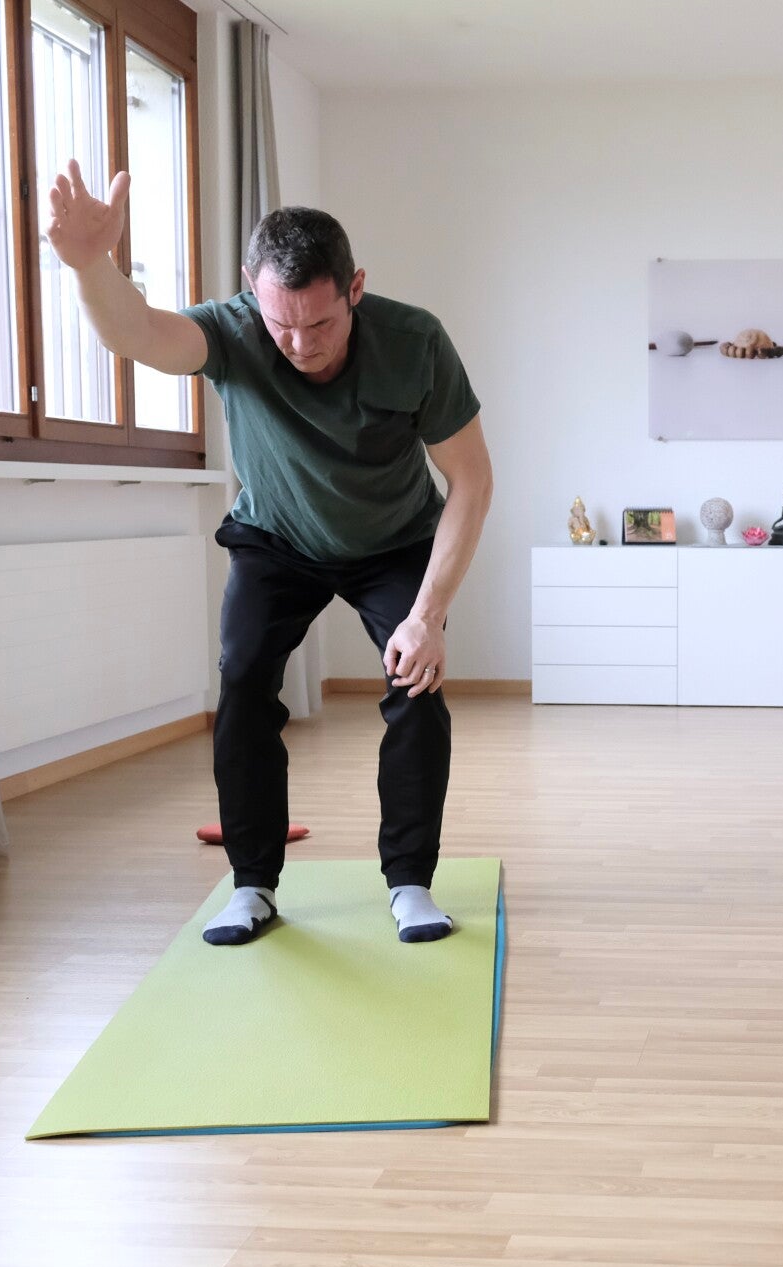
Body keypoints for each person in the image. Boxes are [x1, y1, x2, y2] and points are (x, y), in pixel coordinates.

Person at [44, 161, 494, 946]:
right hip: (277, 537)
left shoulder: (415, 342)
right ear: (252, 291)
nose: (299, 344)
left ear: (355, 289)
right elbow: (138, 332)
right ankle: (252, 884)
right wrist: (90, 266)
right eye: (282, 323)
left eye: (320, 324)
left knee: (415, 686)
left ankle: (410, 884)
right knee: (245, 681)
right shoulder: (232, 331)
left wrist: (427, 617)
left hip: (394, 541)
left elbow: (472, 480)